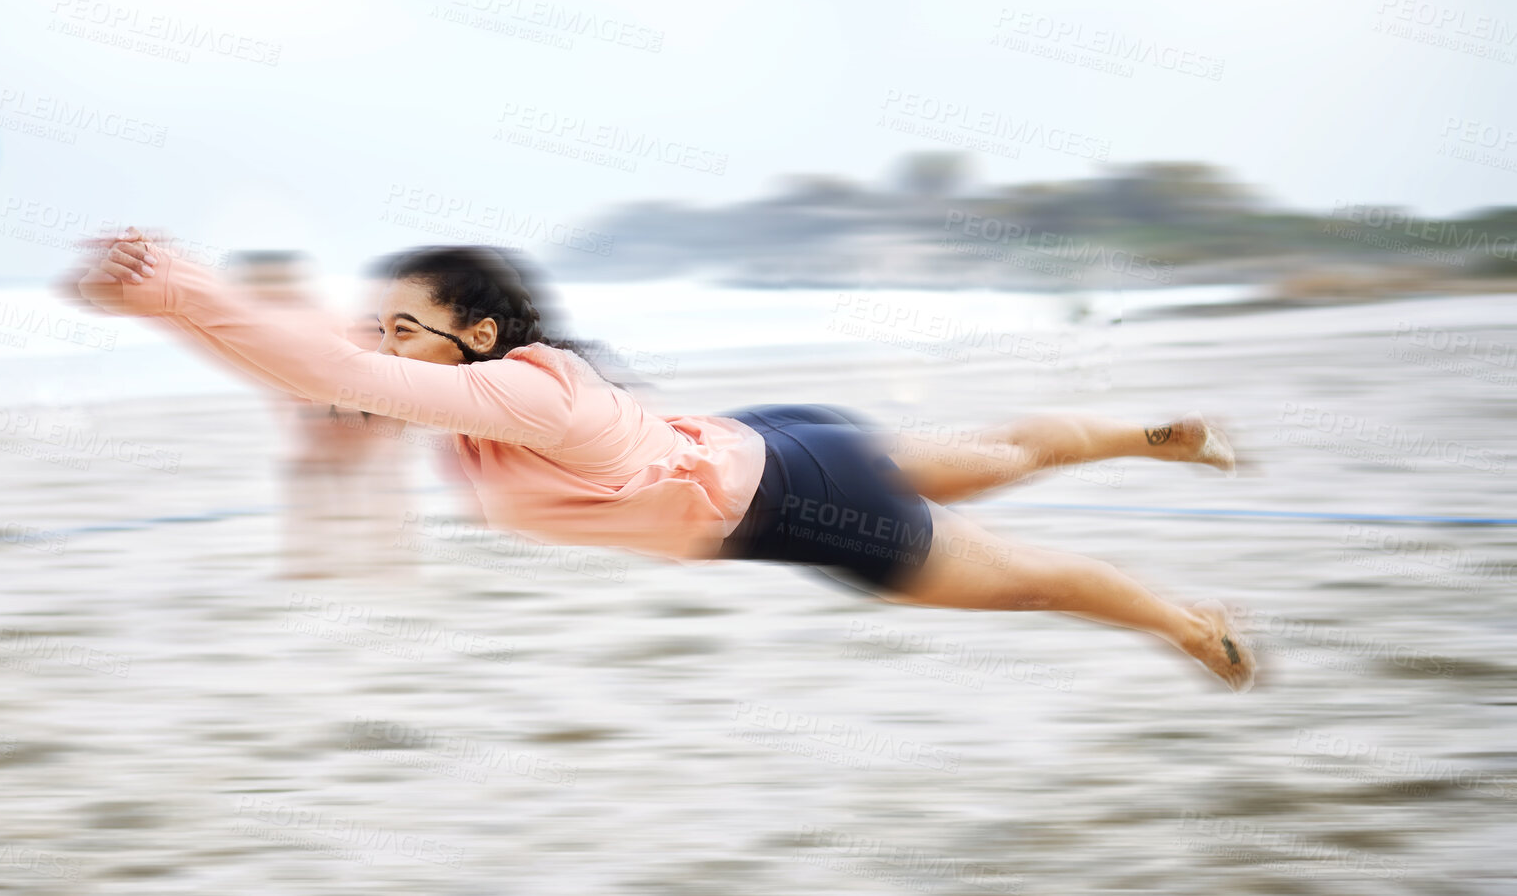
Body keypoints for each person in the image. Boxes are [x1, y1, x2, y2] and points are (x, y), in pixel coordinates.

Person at [63, 228, 1256, 692]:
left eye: (404, 325)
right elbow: (312, 357)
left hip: (794, 496)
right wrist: (161, 305)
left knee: (1031, 576)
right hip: (775, 435)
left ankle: (1189, 623)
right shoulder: (510, 374)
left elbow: (336, 376)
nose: (380, 344)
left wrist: (171, 286)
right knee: (991, 452)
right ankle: (1148, 434)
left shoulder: (523, 397)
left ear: (476, 332)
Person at [224, 250, 413, 581]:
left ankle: (345, 564)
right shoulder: (291, 319)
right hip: (346, 420)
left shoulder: (301, 319)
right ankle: (368, 563)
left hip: (349, 417)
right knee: (357, 480)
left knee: (335, 477)